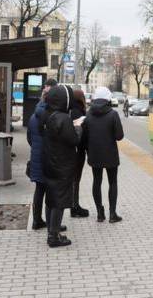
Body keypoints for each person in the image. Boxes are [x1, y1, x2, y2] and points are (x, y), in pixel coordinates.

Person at [40, 85, 82, 248]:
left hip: (49, 161)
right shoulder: (63, 118)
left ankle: (51, 229)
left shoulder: (47, 114)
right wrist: (78, 127)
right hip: (62, 164)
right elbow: (74, 140)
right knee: (59, 200)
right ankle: (54, 236)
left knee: (50, 198)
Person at [83, 87, 124, 223]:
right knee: (113, 182)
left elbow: (84, 136)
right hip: (111, 154)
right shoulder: (113, 114)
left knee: (97, 182)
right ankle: (112, 214)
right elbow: (119, 136)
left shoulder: (88, 114)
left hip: (94, 154)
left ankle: (100, 214)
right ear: (108, 99)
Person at [26, 78, 58, 230]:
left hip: (36, 158)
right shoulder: (52, 117)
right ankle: (52, 224)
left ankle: (36, 221)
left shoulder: (33, 116)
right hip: (49, 159)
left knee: (39, 190)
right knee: (51, 192)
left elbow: (29, 138)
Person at [70, 89, 89, 218]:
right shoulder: (78, 113)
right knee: (75, 179)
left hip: (73, 151)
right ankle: (74, 206)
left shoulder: (70, 109)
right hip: (78, 151)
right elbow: (80, 133)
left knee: (74, 179)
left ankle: (74, 205)